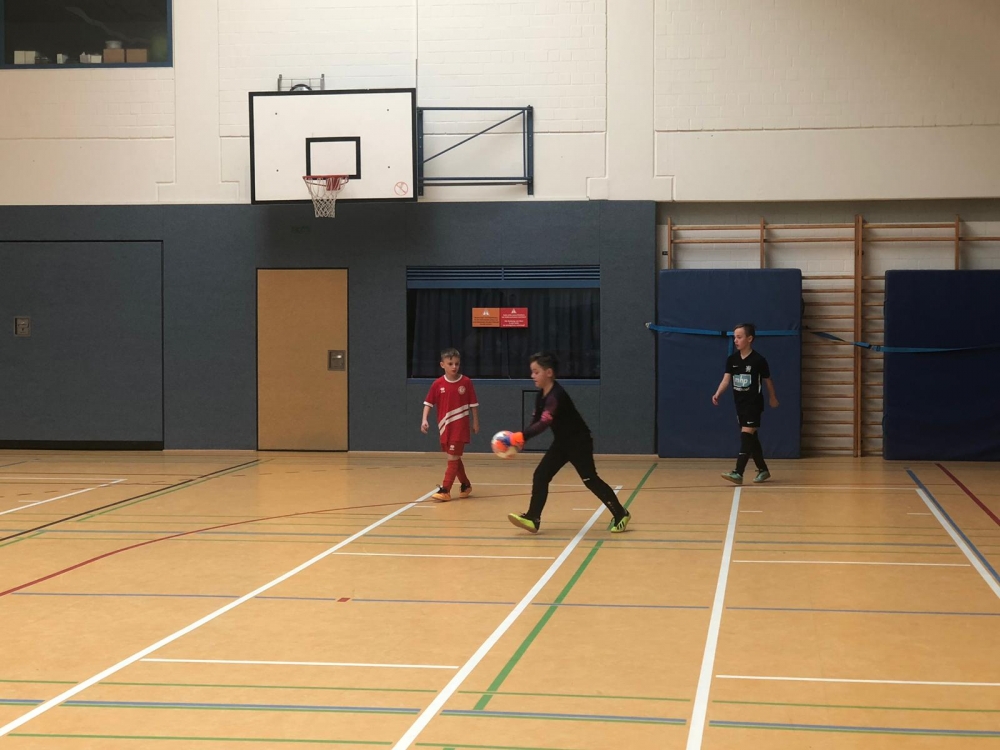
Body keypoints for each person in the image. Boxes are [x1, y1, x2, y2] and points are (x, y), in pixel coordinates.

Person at [501, 351, 631, 534]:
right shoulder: (541, 396)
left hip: (579, 442)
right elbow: (535, 420)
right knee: (541, 475)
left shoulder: (556, 395)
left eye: (536, 372)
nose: (532, 376)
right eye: (532, 372)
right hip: (562, 443)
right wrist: (521, 440)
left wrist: (521, 436)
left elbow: (544, 422)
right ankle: (532, 518)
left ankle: (620, 513)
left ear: (549, 372)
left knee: (590, 480)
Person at [711, 323, 779, 484]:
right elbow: (726, 380)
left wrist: (772, 397)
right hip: (740, 405)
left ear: (749, 339)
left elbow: (768, 380)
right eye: (734, 337)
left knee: (746, 435)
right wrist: (718, 393)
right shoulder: (732, 360)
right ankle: (763, 469)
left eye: (739, 337)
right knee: (751, 438)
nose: (736, 340)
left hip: (754, 404)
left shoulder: (758, 360)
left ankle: (738, 472)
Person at [421, 347, 479, 501]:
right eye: (450, 364)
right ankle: (466, 484)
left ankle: (445, 490)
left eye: (457, 364)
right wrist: (424, 419)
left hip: (460, 428)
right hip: (445, 428)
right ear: (442, 365)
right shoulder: (437, 384)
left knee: (452, 458)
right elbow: (428, 403)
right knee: (454, 458)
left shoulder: (466, 382)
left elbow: (473, 404)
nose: (454, 367)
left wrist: (475, 422)